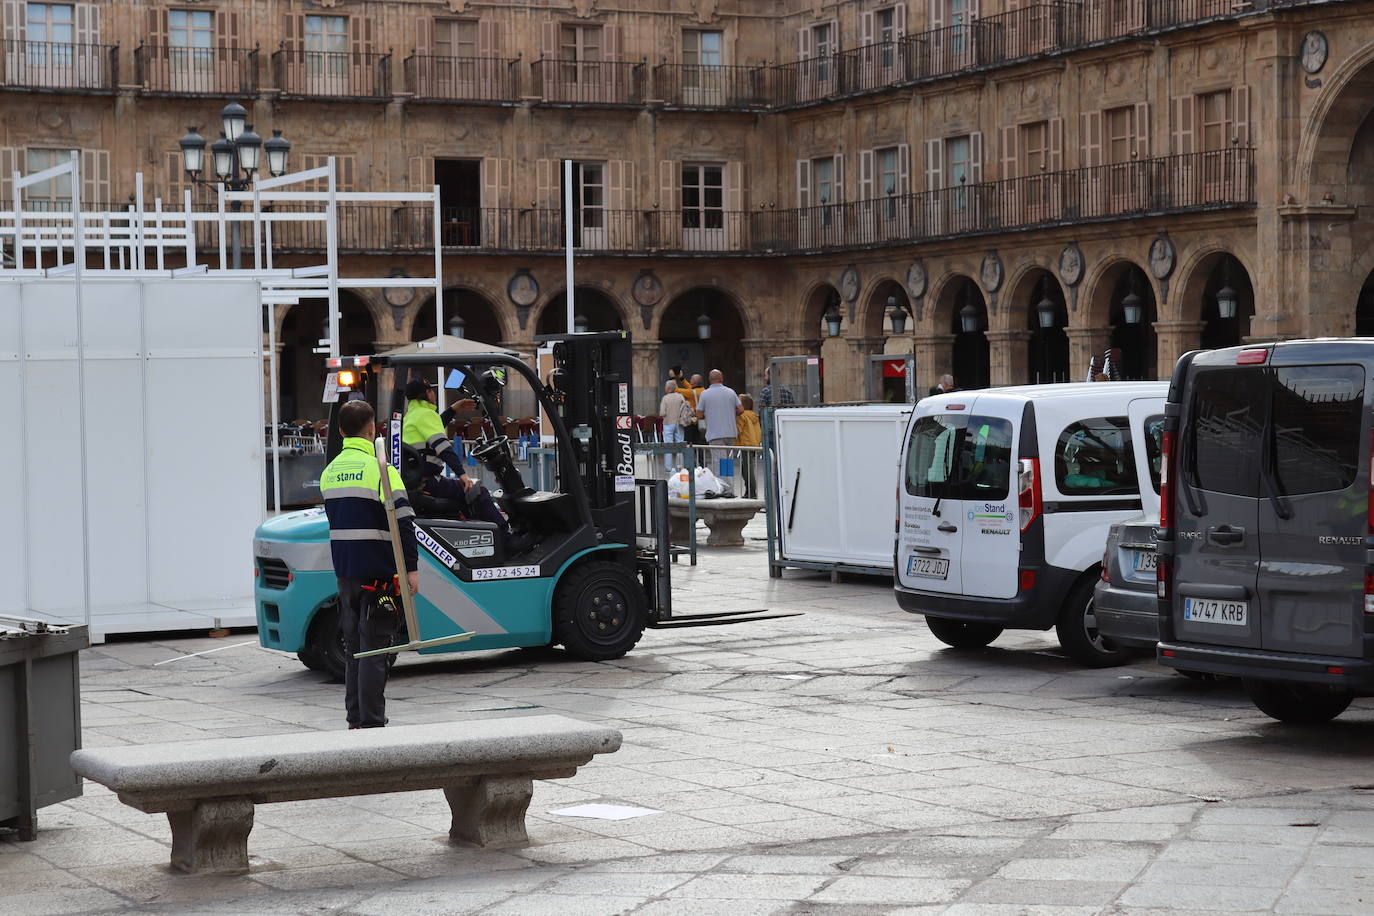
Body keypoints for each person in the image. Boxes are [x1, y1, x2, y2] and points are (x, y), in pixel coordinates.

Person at [320, 400, 416, 729]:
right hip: (379, 575)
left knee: (354, 650)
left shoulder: (329, 472)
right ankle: (374, 722)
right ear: (373, 429)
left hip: (346, 575)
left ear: (341, 431)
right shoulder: (382, 470)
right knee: (376, 650)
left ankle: (355, 719)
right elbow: (404, 523)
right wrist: (411, 570)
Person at [401, 378, 508, 531]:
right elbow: (443, 447)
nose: (434, 394)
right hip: (429, 482)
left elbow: (431, 430)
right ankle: (506, 536)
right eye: (432, 390)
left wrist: (452, 411)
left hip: (418, 482)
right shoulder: (426, 414)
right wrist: (462, 475)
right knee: (478, 491)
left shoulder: (411, 416)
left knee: (467, 495)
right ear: (427, 394)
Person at [696, 368, 742, 447]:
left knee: (718, 458)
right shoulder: (731, 392)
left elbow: (699, 414)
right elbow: (741, 409)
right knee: (728, 458)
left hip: (715, 434)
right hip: (730, 433)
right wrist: (731, 412)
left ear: (709, 379)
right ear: (721, 379)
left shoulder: (705, 394)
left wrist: (707, 414)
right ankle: (727, 461)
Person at [658, 379, 690, 471]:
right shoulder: (680, 397)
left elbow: (662, 413)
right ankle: (679, 466)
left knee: (668, 446)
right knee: (679, 445)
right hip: (679, 423)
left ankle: (668, 467)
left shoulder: (665, 398)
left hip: (668, 423)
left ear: (668, 388)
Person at [735, 393, 761, 498]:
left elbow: (738, 430)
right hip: (754, 444)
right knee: (749, 468)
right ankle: (750, 490)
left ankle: (751, 491)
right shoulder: (754, 415)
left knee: (746, 469)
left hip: (745, 444)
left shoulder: (742, 416)